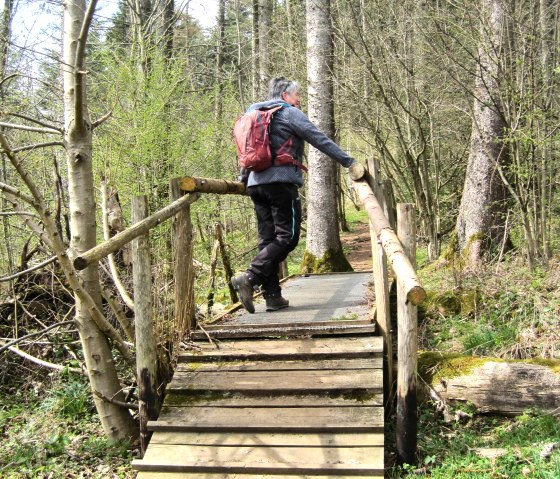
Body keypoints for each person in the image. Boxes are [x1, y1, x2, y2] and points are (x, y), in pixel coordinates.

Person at [231, 77, 365, 313]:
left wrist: (245, 178)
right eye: (296, 95)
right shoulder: (288, 113)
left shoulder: (253, 113)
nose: (299, 100)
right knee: (288, 237)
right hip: (280, 183)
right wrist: (349, 162)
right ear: (285, 96)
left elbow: (248, 148)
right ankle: (250, 278)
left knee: (267, 240)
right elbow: (318, 139)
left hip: (255, 184)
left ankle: (273, 297)